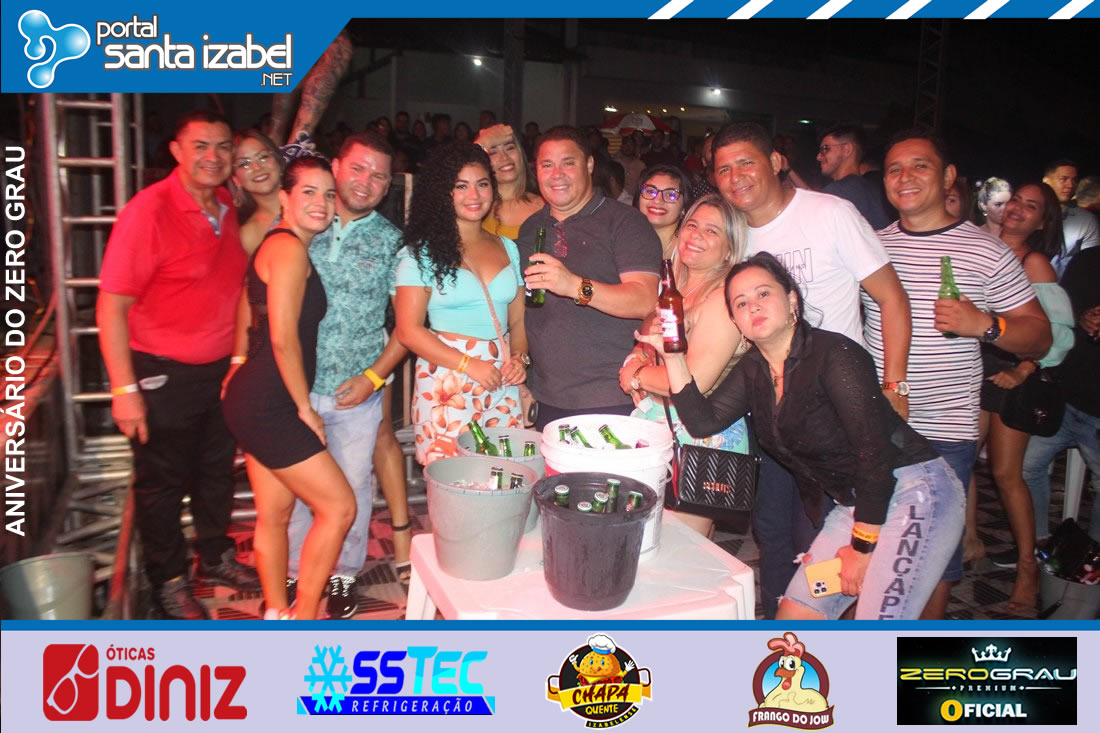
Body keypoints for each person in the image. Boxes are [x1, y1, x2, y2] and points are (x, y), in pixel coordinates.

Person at [639, 252, 965, 620]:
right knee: (795, 618)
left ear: (792, 300)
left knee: (879, 629)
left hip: (914, 492)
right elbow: (703, 422)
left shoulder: (834, 355)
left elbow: (874, 455)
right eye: (741, 303)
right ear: (736, 321)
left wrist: (861, 548)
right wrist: (674, 357)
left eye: (764, 294)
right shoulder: (755, 369)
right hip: (857, 504)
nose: (753, 306)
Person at [712, 121, 912, 619]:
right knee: (772, 531)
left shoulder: (830, 213)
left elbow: (891, 298)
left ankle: (827, 640)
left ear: (776, 162)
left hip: (835, 416)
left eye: (746, 162)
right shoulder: (734, 234)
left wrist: (894, 384)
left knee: (827, 543)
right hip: (771, 411)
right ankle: (781, 640)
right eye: (723, 169)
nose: (735, 176)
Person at [867, 131, 1053, 619]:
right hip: (874, 423)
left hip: (944, 429)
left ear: (948, 176)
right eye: (894, 169)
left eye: (920, 166)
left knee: (933, 558)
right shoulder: (871, 246)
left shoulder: (986, 251)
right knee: (867, 547)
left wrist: (985, 325)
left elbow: (1040, 336)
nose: (905, 177)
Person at [96, 110, 260, 620]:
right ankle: (168, 580)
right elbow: (111, 306)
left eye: (222, 147)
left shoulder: (228, 205)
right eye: (200, 146)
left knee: (216, 472)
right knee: (161, 484)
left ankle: (215, 556)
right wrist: (124, 390)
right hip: (161, 372)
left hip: (220, 370)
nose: (213, 156)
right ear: (176, 151)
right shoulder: (148, 211)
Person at [278, 134, 406, 619]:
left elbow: (408, 326)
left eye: (378, 175)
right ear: (335, 167)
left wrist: (373, 377)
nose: (366, 182)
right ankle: (296, 571)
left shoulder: (393, 242)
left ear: (388, 185)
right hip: (294, 388)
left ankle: (344, 573)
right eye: (357, 168)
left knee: (352, 488)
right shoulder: (304, 222)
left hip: (355, 392)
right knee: (299, 490)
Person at [222, 156, 354, 621]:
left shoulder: (278, 243)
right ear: (284, 198)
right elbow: (281, 337)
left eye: (328, 194)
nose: (321, 202)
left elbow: (249, 305)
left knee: (274, 516)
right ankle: (303, 619)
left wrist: (237, 363)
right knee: (339, 507)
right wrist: (305, 408)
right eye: (308, 192)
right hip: (270, 404)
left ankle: (277, 613)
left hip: (257, 396)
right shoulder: (289, 249)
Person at [619, 194, 750, 537]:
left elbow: (694, 382)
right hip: (661, 424)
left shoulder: (722, 298)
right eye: (692, 225)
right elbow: (646, 343)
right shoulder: (676, 286)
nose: (696, 235)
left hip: (701, 436)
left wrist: (635, 375)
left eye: (712, 231)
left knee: (685, 547)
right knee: (647, 538)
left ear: (729, 249)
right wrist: (637, 359)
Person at [518, 126, 661, 430]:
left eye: (568, 163)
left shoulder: (625, 222)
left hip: (611, 397)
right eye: (547, 165)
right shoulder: (530, 229)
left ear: (590, 164)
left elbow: (645, 299)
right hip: (545, 396)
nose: (557, 174)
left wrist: (574, 286)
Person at [395, 143, 528, 464]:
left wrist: (520, 358)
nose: (474, 195)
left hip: (501, 377)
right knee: (454, 478)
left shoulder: (509, 248)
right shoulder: (419, 254)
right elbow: (408, 331)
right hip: (447, 379)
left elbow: (518, 320)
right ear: (444, 192)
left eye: (482, 184)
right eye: (461, 186)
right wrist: (470, 365)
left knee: (506, 474)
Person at [976, 182, 1073, 614]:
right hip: (973, 369)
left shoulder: (1034, 263)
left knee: (1006, 474)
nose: (1017, 208)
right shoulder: (984, 246)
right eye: (1016, 199)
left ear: (1041, 222)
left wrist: (1025, 368)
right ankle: (967, 542)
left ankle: (1028, 570)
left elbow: (1059, 334)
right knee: (959, 464)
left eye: (1030, 206)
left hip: (1010, 376)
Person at [1023, 244, 1100, 544]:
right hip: (1064, 395)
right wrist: (1081, 317)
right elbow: (1059, 315)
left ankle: (1092, 560)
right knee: (1025, 467)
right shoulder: (1088, 260)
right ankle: (1038, 544)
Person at [816, 124, 892, 230]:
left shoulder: (835, 193)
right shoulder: (876, 192)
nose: (819, 157)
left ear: (847, 149)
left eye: (825, 149)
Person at [475, 124, 544, 239]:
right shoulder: (473, 207)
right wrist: (480, 144)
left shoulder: (546, 207)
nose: (504, 157)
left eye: (510, 148)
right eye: (492, 153)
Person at [230, 129, 284, 255]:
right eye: (244, 164)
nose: (257, 167)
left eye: (263, 157)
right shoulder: (248, 235)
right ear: (236, 180)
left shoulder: (310, 200)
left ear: (278, 162)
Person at [1043, 159, 1099, 276]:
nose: (1070, 185)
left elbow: (1090, 262)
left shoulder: (1086, 221)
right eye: (1063, 179)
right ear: (1047, 181)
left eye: (1074, 180)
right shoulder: (1029, 212)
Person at [635, 165, 692, 260]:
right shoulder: (624, 240)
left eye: (670, 194)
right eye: (650, 191)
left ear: (683, 208)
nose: (658, 200)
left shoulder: (690, 249)